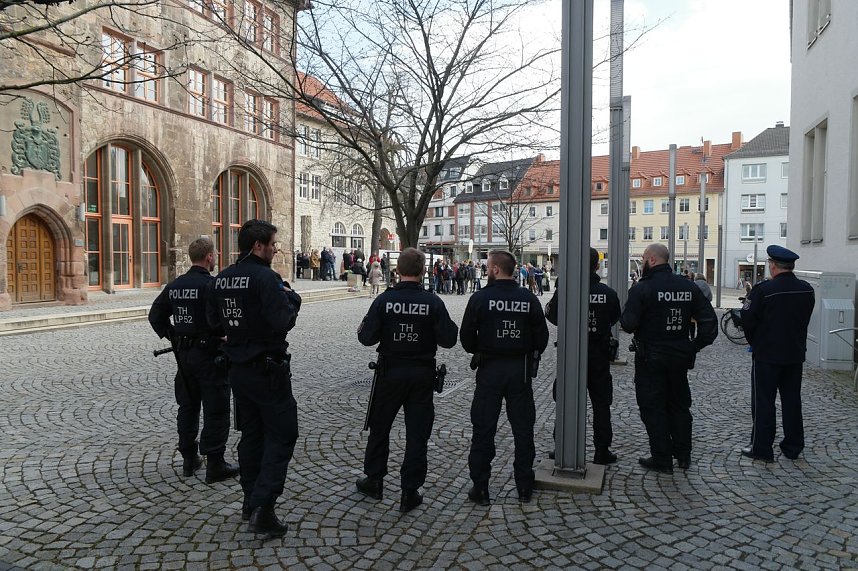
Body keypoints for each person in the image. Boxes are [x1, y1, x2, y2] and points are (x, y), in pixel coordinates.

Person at [206, 220, 302, 537]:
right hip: (268, 369)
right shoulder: (265, 278)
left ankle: (250, 501)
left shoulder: (221, 279)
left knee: (251, 436)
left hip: (238, 370)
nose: (276, 249)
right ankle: (264, 506)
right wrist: (293, 301)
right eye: (273, 244)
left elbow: (212, 322)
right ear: (258, 246)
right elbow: (282, 321)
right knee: (283, 433)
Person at [355, 248, 458, 512]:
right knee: (417, 433)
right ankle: (410, 490)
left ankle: (374, 480)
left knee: (380, 428)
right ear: (423, 271)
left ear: (397, 271)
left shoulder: (384, 301)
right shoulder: (433, 302)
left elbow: (366, 337)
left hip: (390, 372)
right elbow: (449, 338)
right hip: (422, 375)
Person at [461, 249, 549, 505]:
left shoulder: (480, 298)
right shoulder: (528, 299)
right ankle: (524, 486)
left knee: (483, 429)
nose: (487, 270)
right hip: (519, 371)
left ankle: (481, 487)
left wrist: (482, 347)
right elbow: (542, 338)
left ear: (496, 269)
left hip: (489, 369)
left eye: (489, 266)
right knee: (523, 430)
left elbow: (466, 337)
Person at [148, 237, 240, 484]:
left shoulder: (176, 285)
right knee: (216, 408)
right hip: (210, 355)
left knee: (187, 406)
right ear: (209, 257)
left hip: (184, 357)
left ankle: (189, 457)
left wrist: (174, 335)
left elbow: (155, 315)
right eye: (215, 254)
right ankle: (215, 463)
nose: (216, 258)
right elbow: (221, 321)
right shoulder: (211, 285)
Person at [620, 243, 717, 473]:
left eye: (643, 258)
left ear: (651, 260)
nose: (642, 262)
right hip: (679, 358)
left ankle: (662, 458)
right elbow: (710, 324)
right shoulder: (688, 286)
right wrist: (693, 347)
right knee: (679, 406)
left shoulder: (642, 289)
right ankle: (683, 455)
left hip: (650, 358)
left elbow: (627, 323)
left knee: (653, 407)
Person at [545, 248, 621, 465]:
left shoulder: (567, 289)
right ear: (597, 266)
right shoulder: (608, 293)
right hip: (598, 355)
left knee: (566, 401)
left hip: (571, 355)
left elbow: (553, 315)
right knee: (601, 405)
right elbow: (615, 316)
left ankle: (562, 446)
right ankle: (602, 450)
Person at [739, 245, 815, 462]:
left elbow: (747, 319)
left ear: (773, 266)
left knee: (764, 401)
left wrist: (756, 342)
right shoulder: (807, 289)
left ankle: (762, 448)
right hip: (794, 354)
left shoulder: (763, 290)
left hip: (767, 355)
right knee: (792, 401)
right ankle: (793, 446)